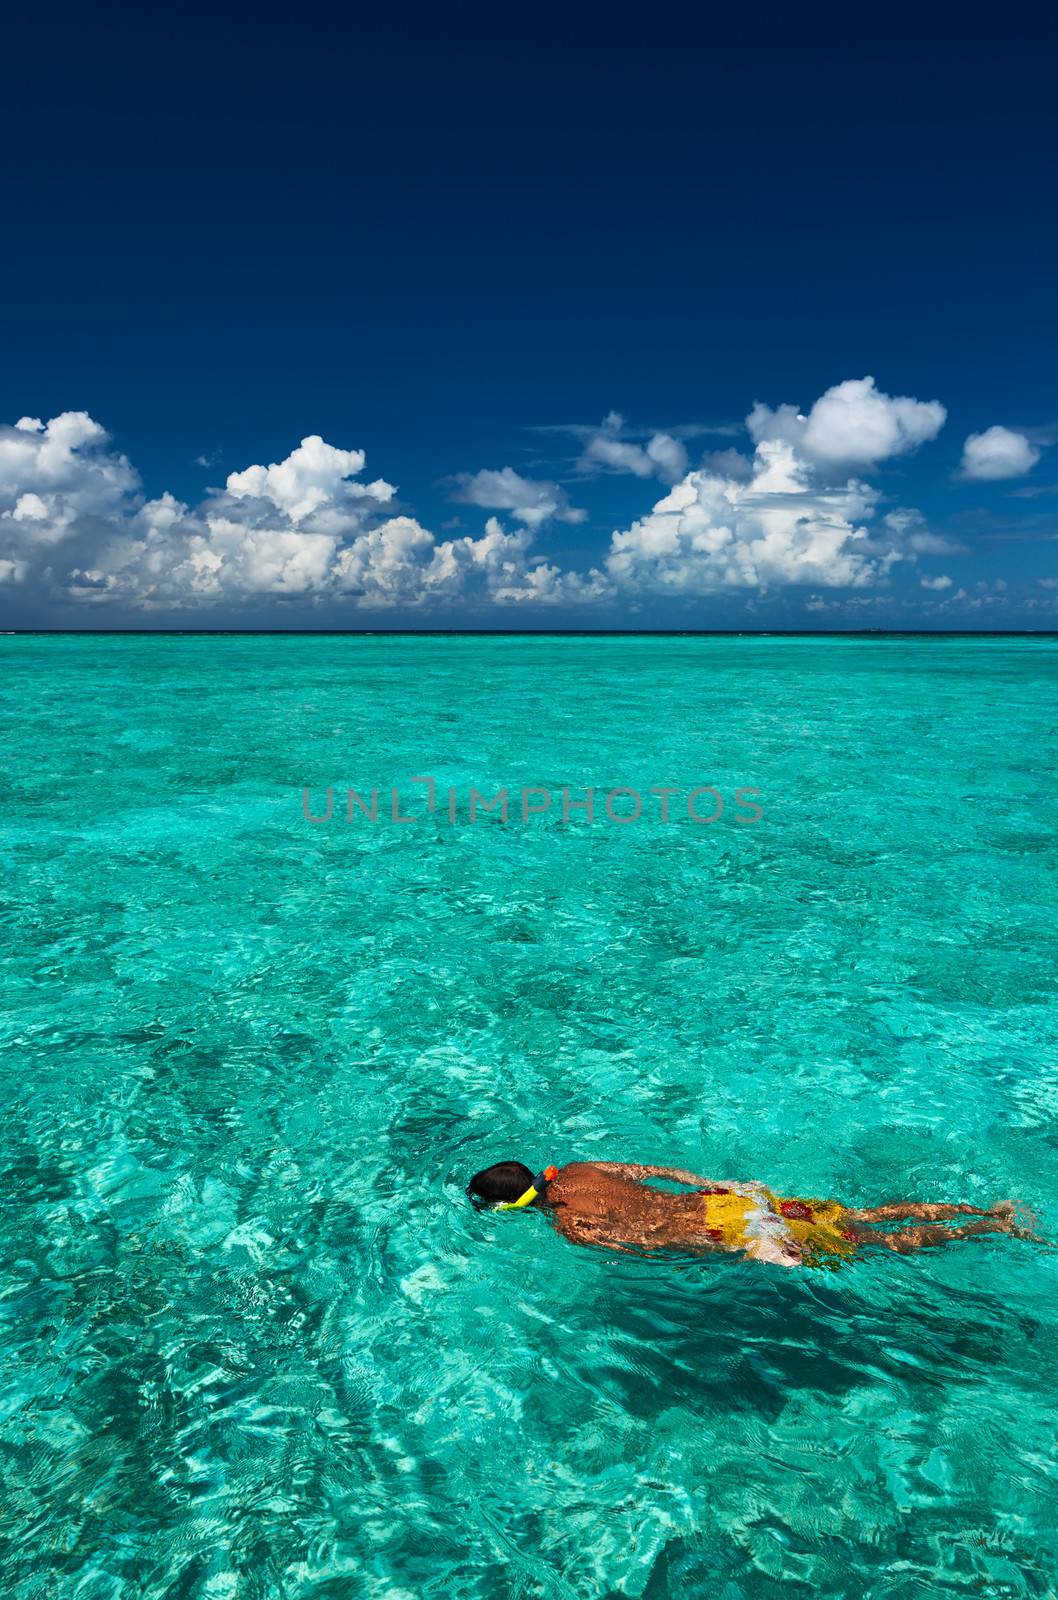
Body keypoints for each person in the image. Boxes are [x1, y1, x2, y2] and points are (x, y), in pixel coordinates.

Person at [465, 1159, 1024, 1268]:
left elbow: (651, 1248)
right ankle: (983, 1210)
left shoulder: (571, 1226)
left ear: (513, 1207)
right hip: (728, 1201)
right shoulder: (581, 1168)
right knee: (862, 1215)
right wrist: (717, 1184)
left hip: (726, 1227)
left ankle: (988, 1230)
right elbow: (660, 1174)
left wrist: (725, 1252)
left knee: (867, 1245)